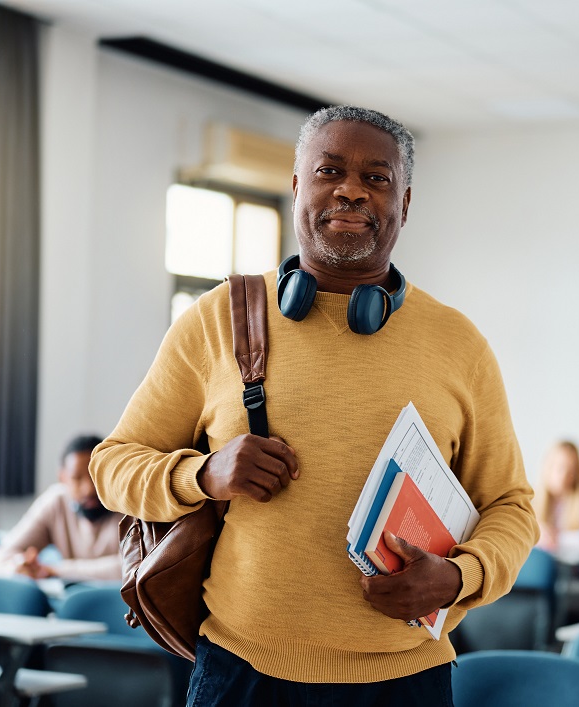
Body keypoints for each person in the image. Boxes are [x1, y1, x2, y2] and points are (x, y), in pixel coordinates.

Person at [89, 106, 537, 705]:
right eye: (330, 171)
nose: (350, 190)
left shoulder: (459, 344)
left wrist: (459, 577)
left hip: (404, 681)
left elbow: (511, 506)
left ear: (404, 205)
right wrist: (202, 473)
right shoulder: (215, 322)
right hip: (240, 673)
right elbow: (112, 466)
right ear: (298, 186)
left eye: (377, 178)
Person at [0, 434, 121, 582]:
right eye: (77, 478)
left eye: (96, 476)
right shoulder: (55, 502)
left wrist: (54, 570)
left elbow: (136, 569)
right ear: (62, 478)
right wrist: (17, 567)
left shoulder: (133, 505)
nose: (89, 489)